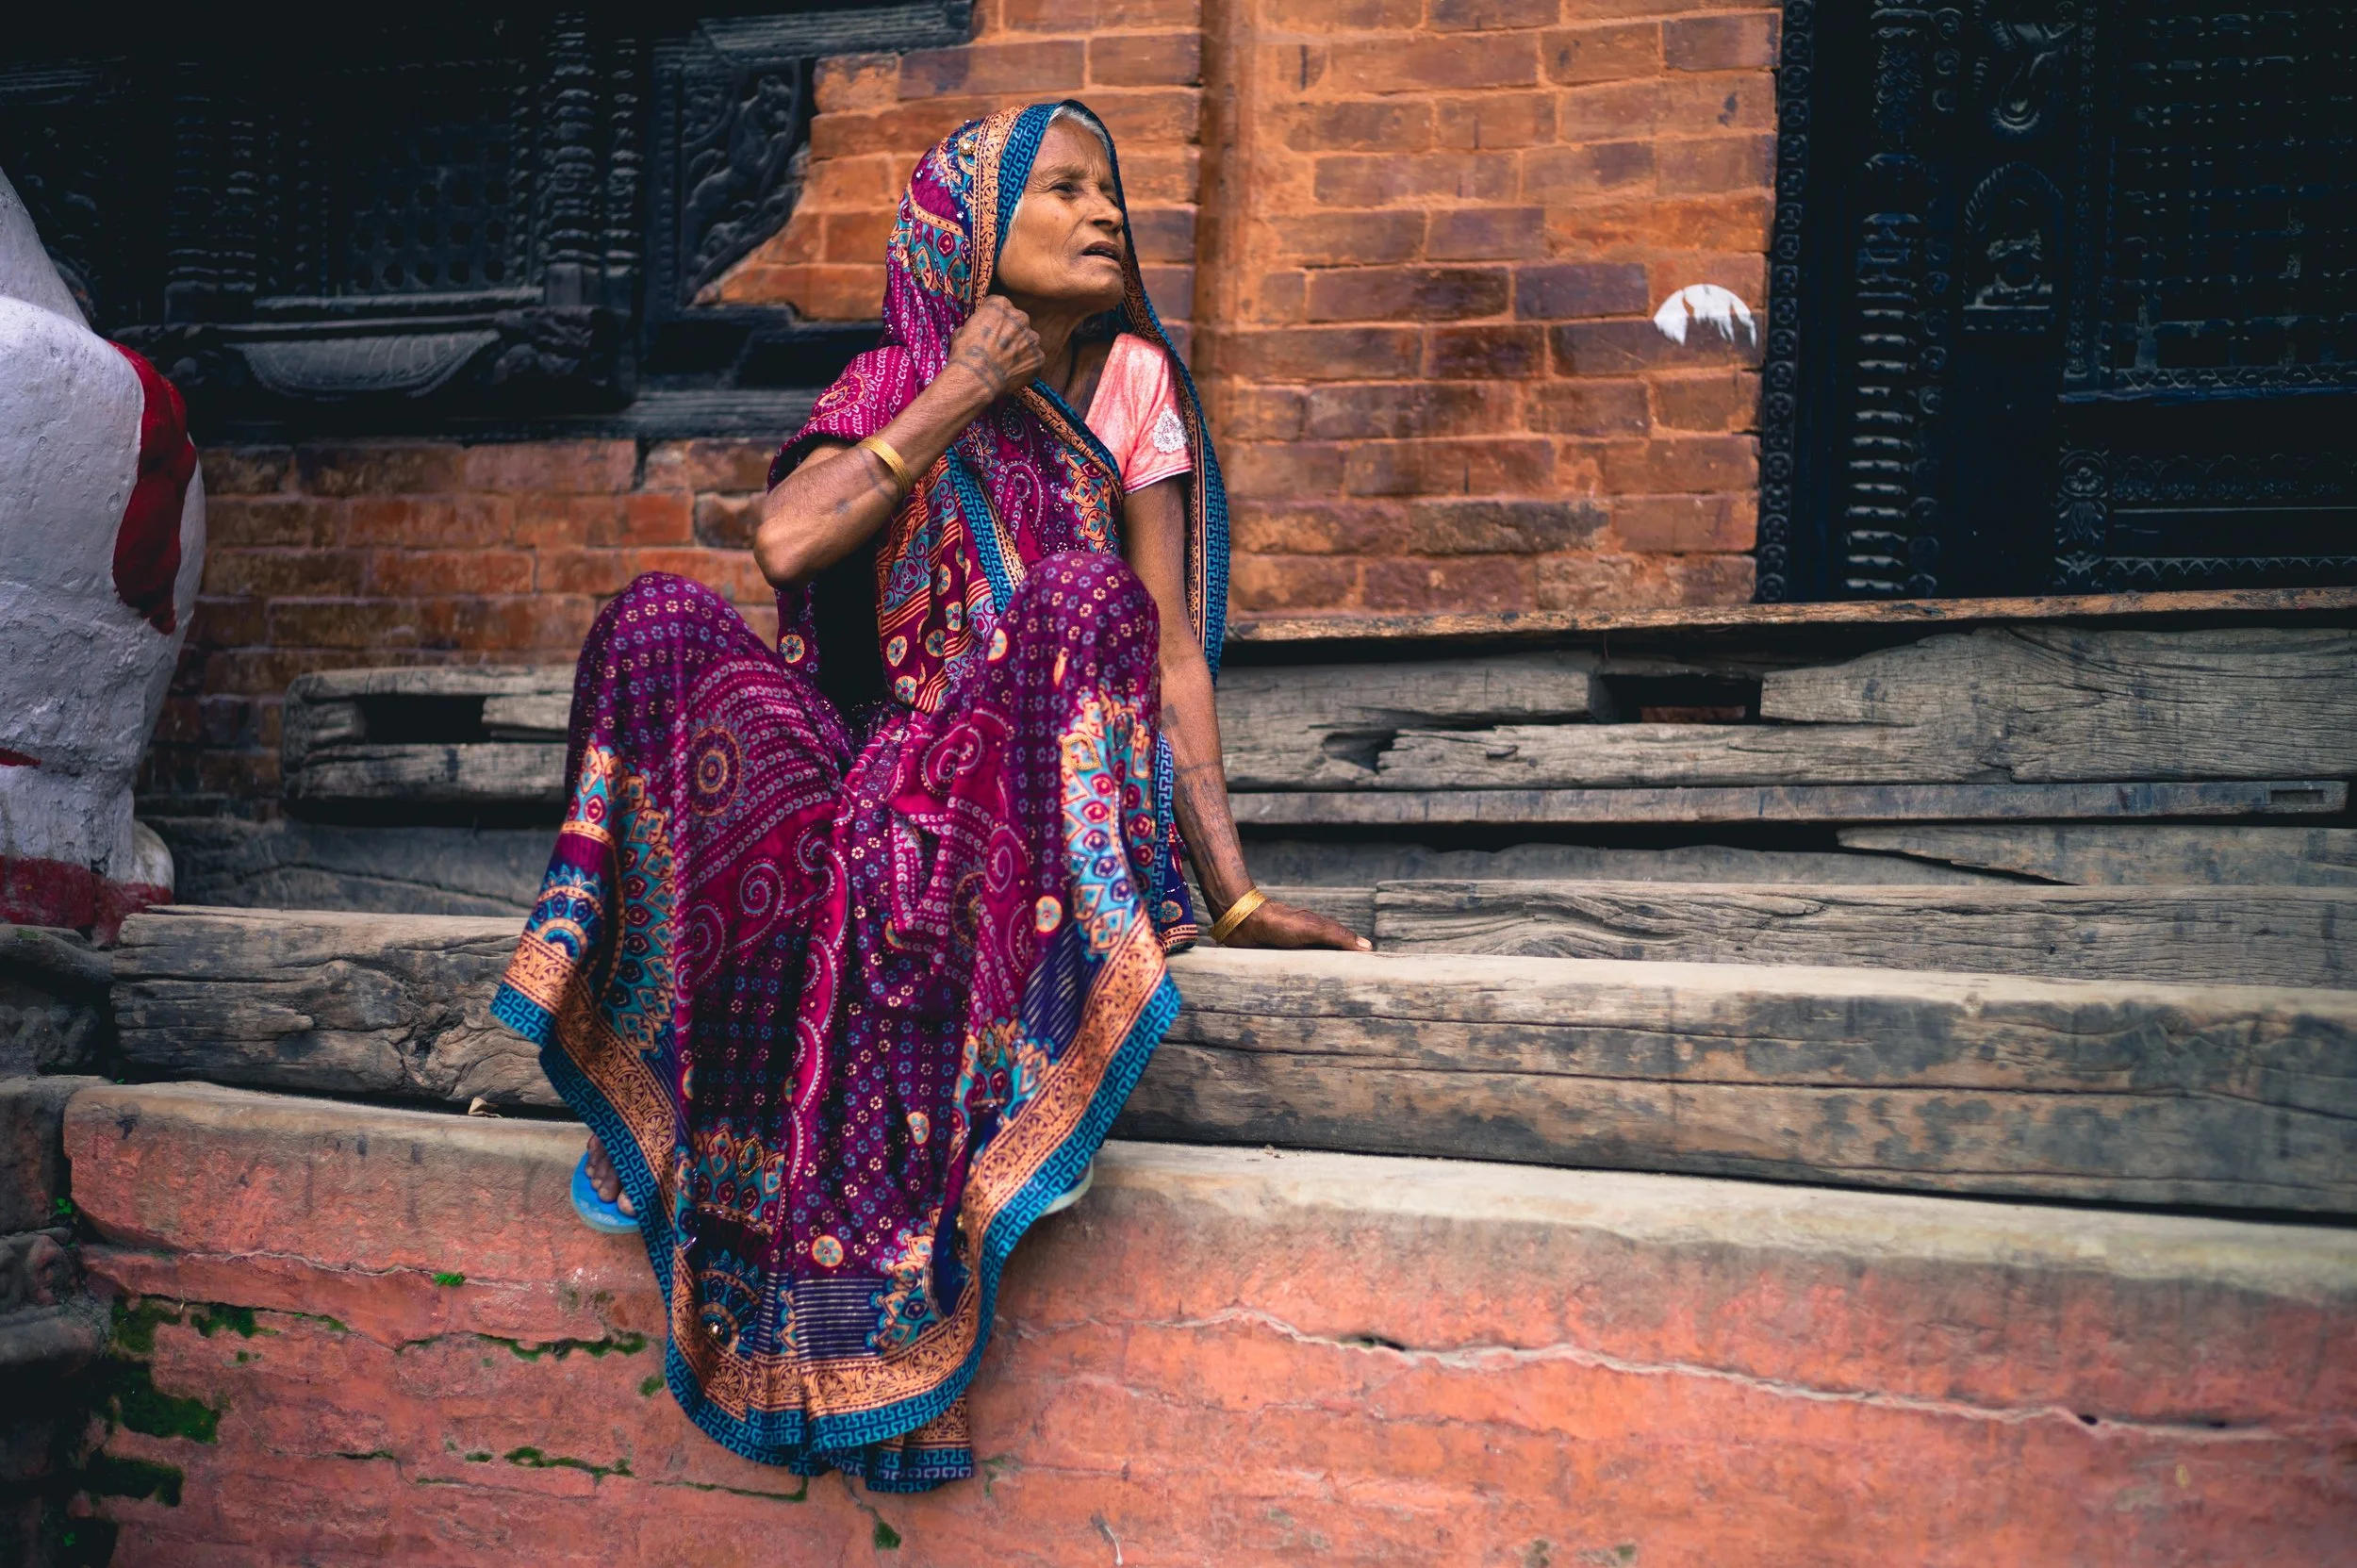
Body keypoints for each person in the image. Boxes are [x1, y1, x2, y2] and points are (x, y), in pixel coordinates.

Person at [490, 101, 1365, 1493]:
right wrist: (958, 389)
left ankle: (1072, 951)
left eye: (1111, 191)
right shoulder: (892, 378)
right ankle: (658, 1059)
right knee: (658, 623)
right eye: (1062, 192)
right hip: (859, 778)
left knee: (1087, 598)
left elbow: (1172, 645)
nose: (1106, 214)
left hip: (1003, 806)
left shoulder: (1130, 387)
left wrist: (1236, 890)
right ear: (966, 233)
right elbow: (783, 543)